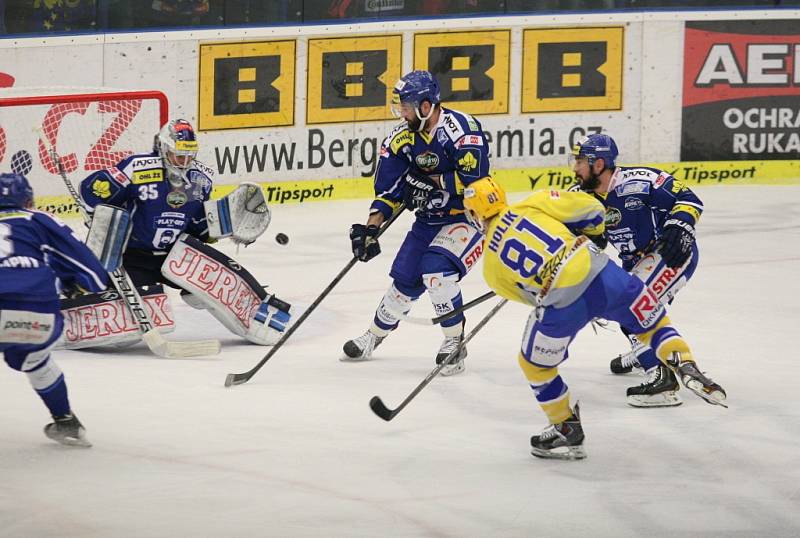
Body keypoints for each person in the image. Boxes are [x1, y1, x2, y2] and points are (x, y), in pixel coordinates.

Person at [462, 177, 726, 460]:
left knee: (534, 365)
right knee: (652, 323)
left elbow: (534, 297)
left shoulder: (491, 270)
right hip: (602, 272)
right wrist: (591, 232)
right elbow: (592, 210)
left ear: (474, 215)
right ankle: (685, 362)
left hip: (563, 301)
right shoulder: (533, 202)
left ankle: (565, 427)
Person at [78, 118, 291, 347]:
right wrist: (98, 215)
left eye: (189, 156)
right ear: (163, 149)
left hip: (178, 255)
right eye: (179, 155)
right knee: (129, 331)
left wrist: (225, 227)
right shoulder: (137, 168)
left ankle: (262, 320)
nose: (184, 162)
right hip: (133, 257)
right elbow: (91, 191)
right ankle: (78, 295)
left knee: (220, 283)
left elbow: (198, 227)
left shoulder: (202, 179)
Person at [342, 70, 488, 375]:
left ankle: (454, 343)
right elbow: (390, 189)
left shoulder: (462, 130)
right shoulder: (401, 139)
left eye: (406, 106)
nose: (402, 112)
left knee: (436, 272)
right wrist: (371, 228)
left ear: (426, 105)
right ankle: (374, 335)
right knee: (404, 281)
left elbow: (476, 182)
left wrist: (428, 181)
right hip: (428, 220)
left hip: (469, 217)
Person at [569, 133, 704, 408]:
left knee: (631, 304)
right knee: (627, 303)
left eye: (581, 161)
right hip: (636, 262)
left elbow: (689, 198)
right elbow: (571, 233)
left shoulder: (639, 180)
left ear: (599, 164)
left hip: (671, 253)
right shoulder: (579, 197)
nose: (575, 168)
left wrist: (679, 226)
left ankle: (661, 379)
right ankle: (646, 348)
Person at [0, 172, 109, 447]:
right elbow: (95, 277)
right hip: (38, 311)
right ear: (27, 201)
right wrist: (75, 285)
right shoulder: (39, 219)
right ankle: (66, 421)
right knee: (35, 361)